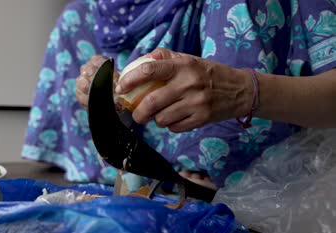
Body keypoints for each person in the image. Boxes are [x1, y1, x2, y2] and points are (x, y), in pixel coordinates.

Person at [22, 0, 335, 191]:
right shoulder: (83, 19)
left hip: (258, 201)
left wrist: (245, 91)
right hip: (132, 210)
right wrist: (109, 104)